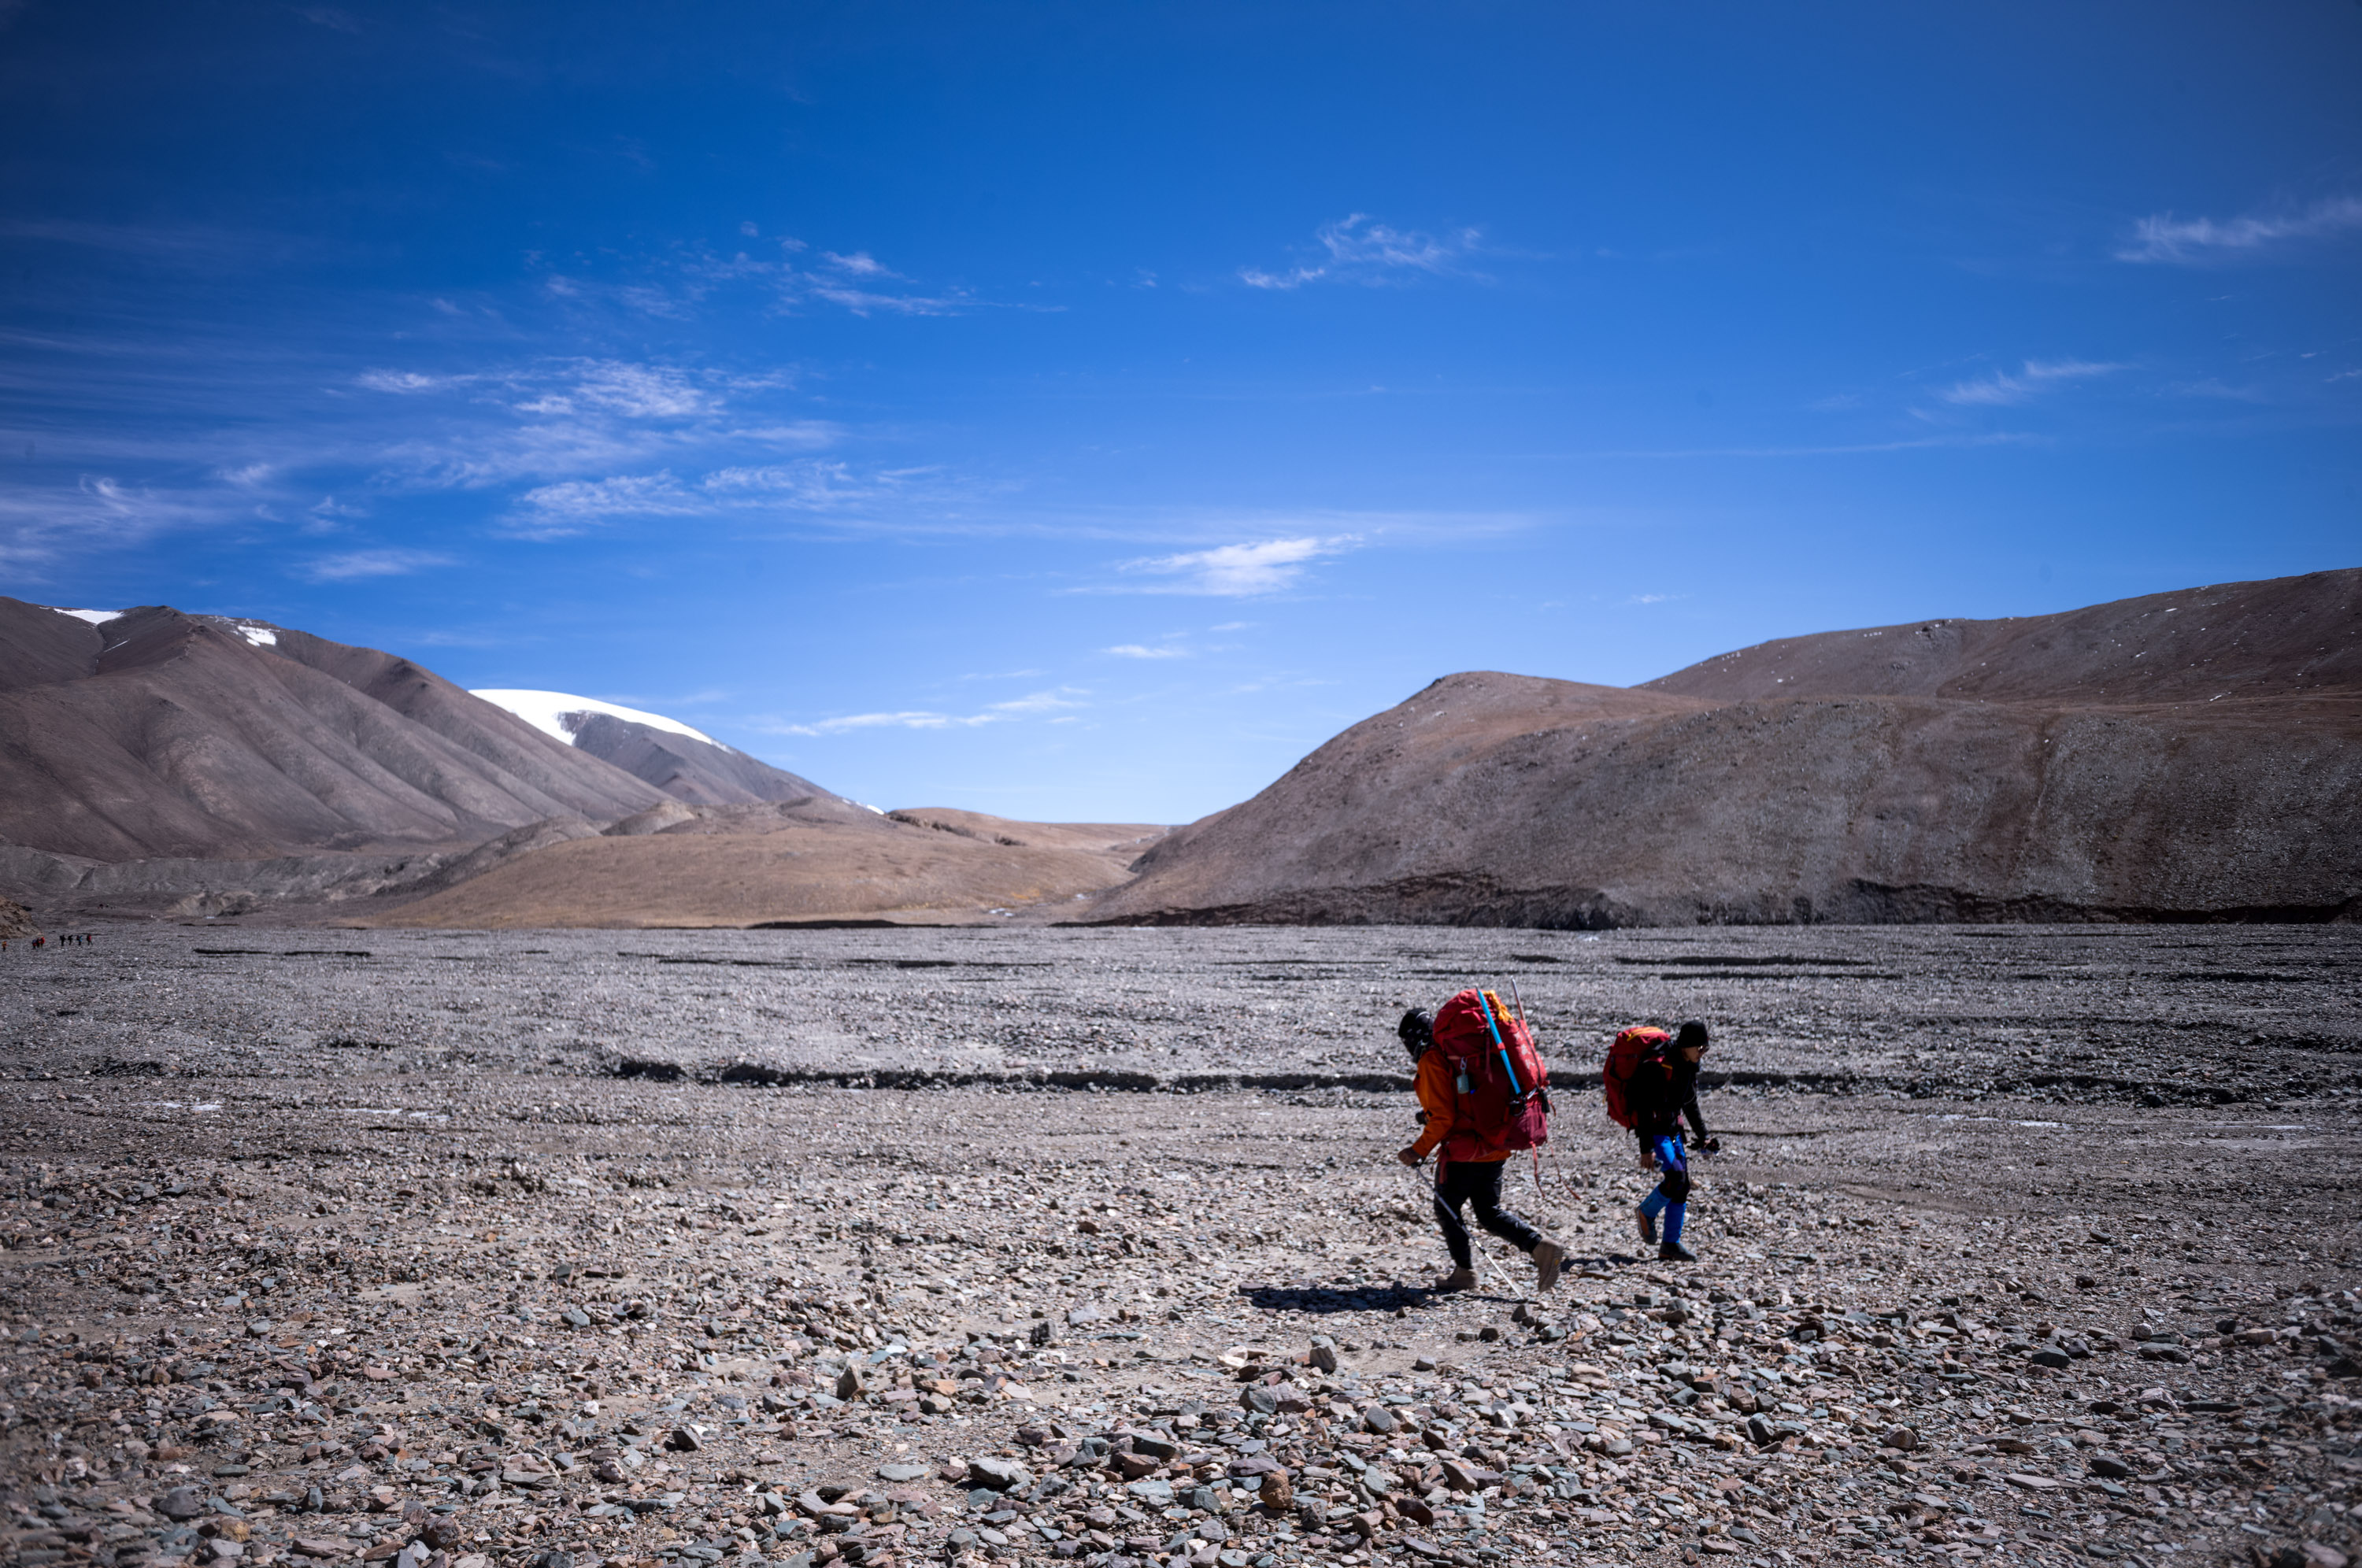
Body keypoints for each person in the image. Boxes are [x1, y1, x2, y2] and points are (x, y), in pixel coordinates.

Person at [1394, 1008, 1566, 1293]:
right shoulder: (1458, 1056)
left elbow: (1444, 1118)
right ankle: (1541, 1247)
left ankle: (1464, 1272)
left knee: (1446, 1208)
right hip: (1494, 1142)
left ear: (1413, 1039)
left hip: (1464, 1151)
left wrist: (1418, 1150)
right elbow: (1454, 1104)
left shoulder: (1432, 1060)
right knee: (1488, 1212)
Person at [1629, 1019, 1721, 1263]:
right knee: (1676, 1179)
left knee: (1683, 1186)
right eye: (1700, 1048)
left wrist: (1704, 1137)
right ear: (1686, 1046)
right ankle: (1646, 1212)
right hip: (1656, 1131)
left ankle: (1670, 1245)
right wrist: (1645, 1148)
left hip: (1673, 1130)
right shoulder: (1658, 1067)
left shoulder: (1689, 1064)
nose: (1702, 1053)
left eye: (1706, 1048)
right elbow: (1644, 1109)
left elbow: (1690, 1104)